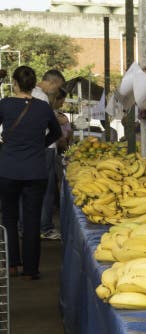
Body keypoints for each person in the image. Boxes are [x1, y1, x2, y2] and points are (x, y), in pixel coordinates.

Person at [0, 66, 62, 279]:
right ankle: (30, 269)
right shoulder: (43, 107)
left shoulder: (5, 104)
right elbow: (57, 132)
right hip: (35, 171)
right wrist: (39, 145)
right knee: (32, 220)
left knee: (9, 217)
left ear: (15, 83)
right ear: (33, 83)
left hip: (8, 169)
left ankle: (12, 265)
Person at [32, 69, 65, 241]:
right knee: (46, 190)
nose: (57, 92)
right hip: (46, 148)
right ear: (52, 82)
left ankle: (28, 227)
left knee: (31, 190)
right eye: (57, 87)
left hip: (35, 149)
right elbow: (46, 126)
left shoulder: (32, 93)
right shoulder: (43, 98)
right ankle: (45, 227)